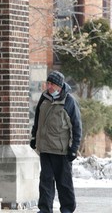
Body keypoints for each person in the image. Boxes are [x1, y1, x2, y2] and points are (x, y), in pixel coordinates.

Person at [30, 71, 82, 213]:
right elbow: (38, 120)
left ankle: (67, 209)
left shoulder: (69, 101)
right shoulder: (44, 98)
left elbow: (76, 126)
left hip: (61, 150)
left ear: (59, 86)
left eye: (51, 84)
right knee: (45, 181)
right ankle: (45, 209)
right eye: (48, 83)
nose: (49, 86)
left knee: (64, 183)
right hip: (45, 149)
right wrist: (34, 137)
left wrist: (73, 148)